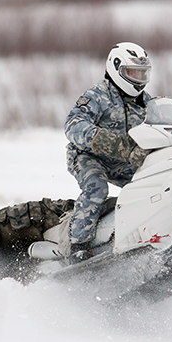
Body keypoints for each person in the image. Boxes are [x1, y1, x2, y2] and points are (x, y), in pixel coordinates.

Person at [63, 42, 153, 261]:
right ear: (116, 69)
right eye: (133, 73)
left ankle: (147, 232)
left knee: (153, 183)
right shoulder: (97, 95)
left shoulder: (146, 103)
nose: (139, 79)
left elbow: (162, 126)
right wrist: (111, 143)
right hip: (87, 156)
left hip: (123, 161)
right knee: (97, 188)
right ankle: (79, 247)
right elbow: (72, 125)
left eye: (143, 73)